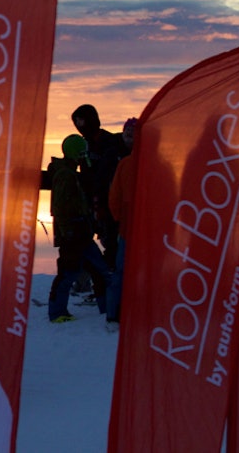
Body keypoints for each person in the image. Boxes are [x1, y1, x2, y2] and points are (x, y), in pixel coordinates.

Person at [48, 134, 114, 324]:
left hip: (81, 232)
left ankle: (106, 308)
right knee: (68, 272)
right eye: (82, 152)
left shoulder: (70, 173)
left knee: (100, 271)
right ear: (75, 153)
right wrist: (67, 232)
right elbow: (59, 208)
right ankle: (57, 312)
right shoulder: (65, 175)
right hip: (73, 234)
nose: (84, 156)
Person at [71, 104, 130, 268]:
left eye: (82, 121)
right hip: (94, 205)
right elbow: (86, 176)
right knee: (97, 247)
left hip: (113, 205)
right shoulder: (84, 146)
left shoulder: (112, 143)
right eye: (77, 122)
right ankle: (104, 285)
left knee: (113, 246)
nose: (80, 125)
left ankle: (111, 283)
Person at [104, 117, 138, 326]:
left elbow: (113, 197)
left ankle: (114, 313)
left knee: (121, 271)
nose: (129, 138)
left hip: (128, 228)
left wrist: (119, 219)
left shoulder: (125, 164)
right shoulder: (156, 163)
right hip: (142, 228)